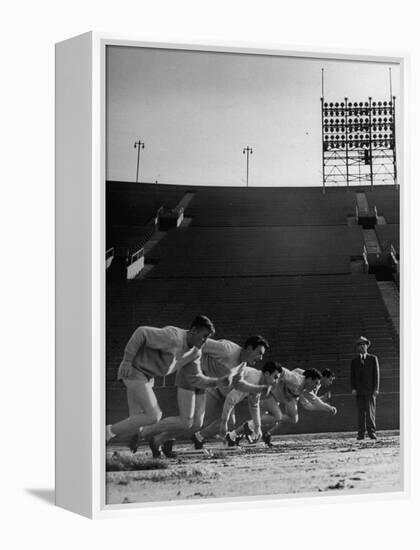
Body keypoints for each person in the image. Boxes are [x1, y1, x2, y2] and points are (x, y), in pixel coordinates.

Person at [105, 315, 216, 448]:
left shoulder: (195, 353)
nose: (205, 341)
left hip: (147, 378)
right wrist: (127, 361)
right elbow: (142, 332)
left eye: (207, 338)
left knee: (136, 426)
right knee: (154, 416)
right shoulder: (172, 337)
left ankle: (123, 458)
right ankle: (107, 432)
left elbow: (196, 377)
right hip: (134, 371)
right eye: (203, 336)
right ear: (194, 330)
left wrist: (218, 381)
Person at [140, 344, 232, 458]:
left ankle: (158, 440)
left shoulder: (237, 364)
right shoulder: (225, 349)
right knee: (186, 421)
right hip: (190, 375)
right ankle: (145, 431)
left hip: (203, 379)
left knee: (197, 424)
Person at [190, 335, 270, 449]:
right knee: (195, 421)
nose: (261, 358)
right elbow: (198, 341)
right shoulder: (227, 350)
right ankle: (166, 437)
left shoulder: (243, 365)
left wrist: (257, 427)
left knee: (229, 422)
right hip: (200, 379)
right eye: (259, 353)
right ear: (250, 348)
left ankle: (198, 437)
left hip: (218, 388)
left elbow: (242, 391)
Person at [236, 365, 337, 447]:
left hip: (281, 397)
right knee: (277, 417)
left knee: (276, 418)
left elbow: (313, 400)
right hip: (271, 395)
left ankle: (237, 433)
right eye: (315, 383)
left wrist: (328, 408)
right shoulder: (297, 379)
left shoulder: (306, 388)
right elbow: (284, 371)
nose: (315, 386)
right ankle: (252, 428)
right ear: (309, 379)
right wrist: (272, 380)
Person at [350, 336, 380, 440]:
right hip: (359, 391)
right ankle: (360, 433)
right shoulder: (354, 361)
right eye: (360, 345)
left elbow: (376, 374)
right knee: (360, 413)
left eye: (364, 345)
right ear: (358, 348)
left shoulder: (373, 358)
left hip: (370, 390)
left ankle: (372, 432)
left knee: (370, 412)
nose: (362, 347)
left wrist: (376, 388)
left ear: (367, 346)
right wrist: (353, 388)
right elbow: (352, 376)